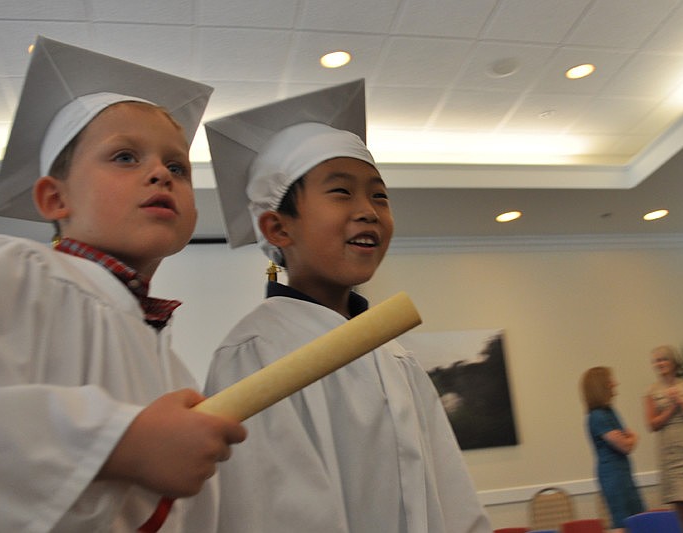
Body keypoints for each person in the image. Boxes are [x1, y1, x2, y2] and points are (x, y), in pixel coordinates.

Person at [0, 36, 245, 532]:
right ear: (55, 199)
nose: (161, 173)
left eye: (178, 166)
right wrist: (117, 443)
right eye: (125, 157)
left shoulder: (173, 366)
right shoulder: (7, 274)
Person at [201, 80, 491, 533]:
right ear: (278, 228)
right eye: (341, 192)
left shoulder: (394, 354)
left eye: (379, 195)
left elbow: (450, 494)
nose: (369, 211)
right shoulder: (256, 354)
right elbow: (273, 514)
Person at [581, 366, 645, 531]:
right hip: (612, 475)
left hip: (623, 472)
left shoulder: (609, 412)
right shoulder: (597, 416)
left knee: (638, 517)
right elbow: (625, 445)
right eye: (611, 381)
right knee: (622, 521)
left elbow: (626, 439)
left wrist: (630, 438)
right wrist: (633, 437)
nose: (615, 384)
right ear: (601, 385)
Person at [644, 345, 683, 528]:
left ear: (673, 362)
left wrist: (681, 403)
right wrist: (672, 407)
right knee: (680, 504)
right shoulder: (652, 391)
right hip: (670, 455)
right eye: (656, 360)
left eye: (663, 359)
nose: (660, 364)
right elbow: (652, 424)